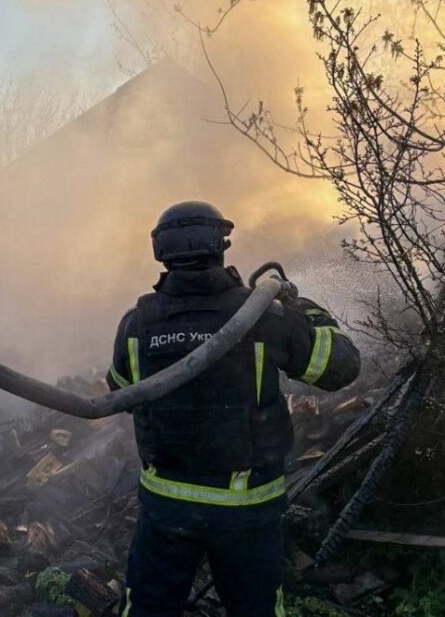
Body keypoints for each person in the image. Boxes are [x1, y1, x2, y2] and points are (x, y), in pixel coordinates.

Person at [108, 201, 360, 617]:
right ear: (220, 245)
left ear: (160, 252)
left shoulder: (136, 325)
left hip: (166, 511)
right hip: (247, 513)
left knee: (148, 610)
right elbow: (340, 367)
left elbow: (118, 391)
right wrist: (302, 309)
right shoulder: (263, 316)